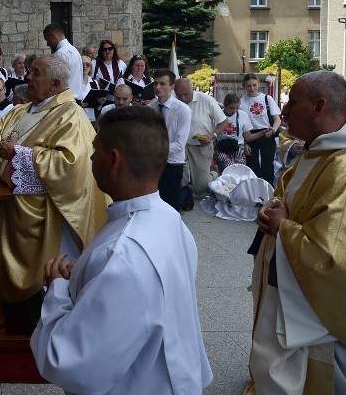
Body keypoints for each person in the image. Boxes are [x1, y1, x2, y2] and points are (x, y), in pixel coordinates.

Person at [31, 105, 212, 394]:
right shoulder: (169, 219)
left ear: (114, 160)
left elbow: (72, 363)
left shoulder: (122, 255)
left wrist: (59, 290)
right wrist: (88, 281)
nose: (90, 157)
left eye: (96, 149)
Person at [0, 55, 108, 307]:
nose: (28, 78)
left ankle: (46, 308)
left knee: (48, 281)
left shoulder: (71, 116)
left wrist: (19, 154)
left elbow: (70, 165)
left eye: (36, 73)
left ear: (55, 84)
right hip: (14, 204)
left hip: (48, 215)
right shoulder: (24, 110)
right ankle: (8, 302)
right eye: (31, 71)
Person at [248, 71, 346, 393]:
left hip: (316, 311)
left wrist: (282, 226)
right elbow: (287, 196)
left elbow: (332, 257)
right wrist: (271, 210)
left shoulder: (345, 168)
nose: (284, 112)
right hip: (287, 280)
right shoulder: (318, 152)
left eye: (293, 103)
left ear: (318, 106)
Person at [174, 78, 228, 207]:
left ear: (193, 89)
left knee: (200, 188)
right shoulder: (173, 101)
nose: (182, 97)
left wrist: (212, 136)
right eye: (179, 94)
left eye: (186, 94)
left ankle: (215, 174)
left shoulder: (206, 100)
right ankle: (185, 196)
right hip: (180, 147)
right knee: (180, 179)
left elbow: (223, 122)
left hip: (201, 146)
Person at [147, 69, 191, 212]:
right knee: (153, 201)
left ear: (172, 87)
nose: (157, 87)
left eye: (162, 84)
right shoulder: (150, 109)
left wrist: (155, 150)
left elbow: (179, 145)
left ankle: (185, 192)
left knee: (170, 207)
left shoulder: (182, 110)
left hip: (172, 162)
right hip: (153, 162)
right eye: (155, 83)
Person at [240, 73, 282, 186]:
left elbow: (277, 119)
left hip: (268, 134)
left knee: (268, 166)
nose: (252, 88)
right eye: (248, 86)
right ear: (243, 86)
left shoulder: (267, 99)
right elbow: (240, 126)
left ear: (259, 84)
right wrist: (244, 143)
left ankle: (268, 193)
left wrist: (273, 129)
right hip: (251, 136)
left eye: (254, 85)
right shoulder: (241, 102)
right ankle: (255, 193)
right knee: (253, 167)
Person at [42, 23, 85, 101]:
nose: (48, 44)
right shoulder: (74, 50)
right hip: (75, 98)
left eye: (47, 40)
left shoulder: (61, 53)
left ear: (52, 35)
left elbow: (57, 80)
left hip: (66, 100)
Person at [214, 93, 256, 171]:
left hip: (238, 147)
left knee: (240, 171)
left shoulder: (243, 115)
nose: (234, 111)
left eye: (237, 108)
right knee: (229, 169)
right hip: (222, 147)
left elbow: (247, 135)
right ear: (224, 105)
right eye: (231, 108)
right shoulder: (217, 114)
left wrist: (246, 143)